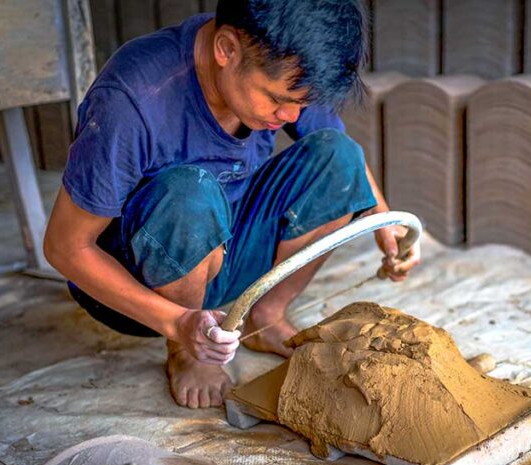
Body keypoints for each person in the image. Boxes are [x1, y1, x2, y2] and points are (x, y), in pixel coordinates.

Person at [43, 0, 420, 410]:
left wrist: (383, 221)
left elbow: (341, 159)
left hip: (222, 246)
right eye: (278, 99)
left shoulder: (282, 65)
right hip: (134, 281)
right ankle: (186, 351)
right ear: (226, 50)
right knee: (191, 193)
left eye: (301, 103)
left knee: (339, 156)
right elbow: (65, 247)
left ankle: (268, 312)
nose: (290, 114)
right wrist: (178, 324)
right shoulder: (132, 98)